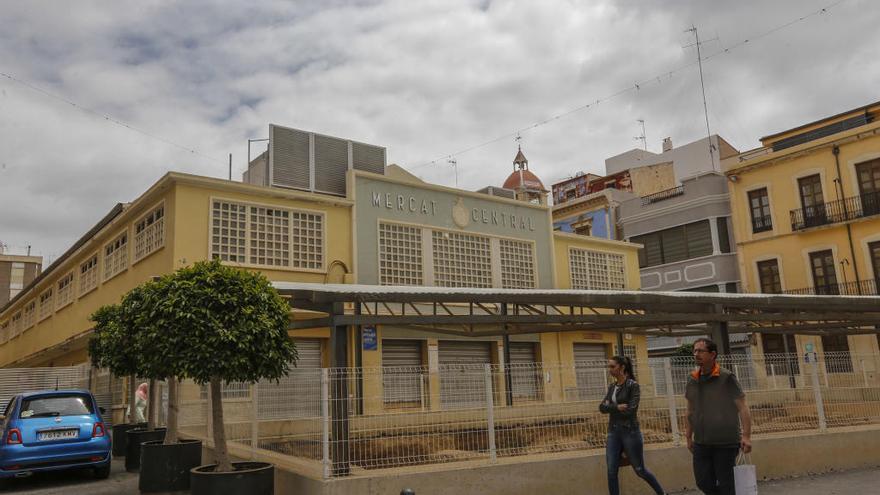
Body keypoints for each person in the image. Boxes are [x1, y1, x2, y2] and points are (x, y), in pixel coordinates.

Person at [685, 338, 753, 495]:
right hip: (701, 442)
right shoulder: (692, 379)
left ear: (713, 354)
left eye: (700, 351)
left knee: (726, 485)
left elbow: (743, 408)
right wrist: (688, 436)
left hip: (726, 442)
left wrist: (746, 436)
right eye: (694, 351)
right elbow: (689, 410)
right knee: (703, 482)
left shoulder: (726, 378)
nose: (696, 354)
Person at [600, 355, 667, 495]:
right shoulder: (612, 387)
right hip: (613, 432)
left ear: (622, 367)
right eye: (609, 366)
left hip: (630, 432)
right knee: (611, 470)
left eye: (612, 366)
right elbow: (601, 408)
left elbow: (631, 411)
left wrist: (610, 407)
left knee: (640, 470)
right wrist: (616, 407)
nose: (609, 369)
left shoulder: (633, 386)